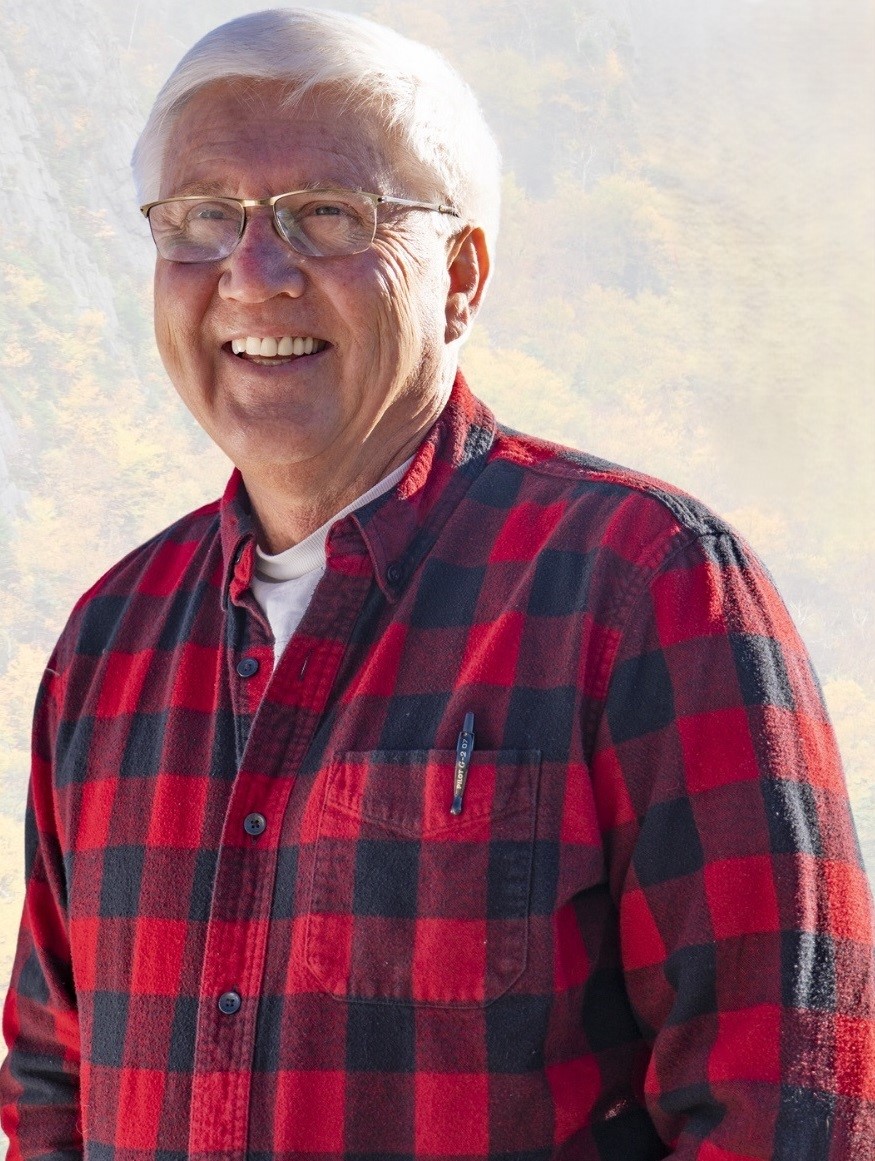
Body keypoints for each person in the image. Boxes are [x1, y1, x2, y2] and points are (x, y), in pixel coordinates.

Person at [1, 8, 873, 1159]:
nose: (253, 275)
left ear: (459, 277)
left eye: (327, 214)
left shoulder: (644, 586)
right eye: (204, 217)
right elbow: (53, 1089)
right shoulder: (107, 640)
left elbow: (783, 1109)